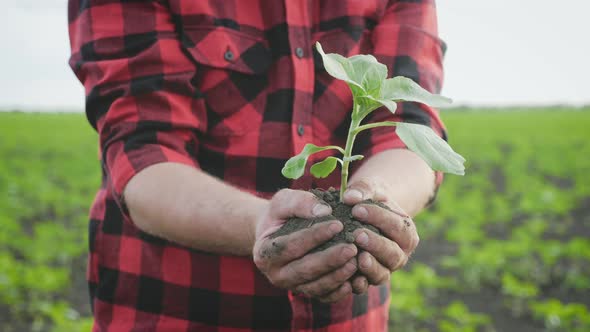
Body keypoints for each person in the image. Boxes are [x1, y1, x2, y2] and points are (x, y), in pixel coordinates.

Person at [68, 0, 447, 330]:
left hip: (348, 318)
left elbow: (410, 126)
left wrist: (375, 203)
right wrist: (258, 222)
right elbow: (145, 151)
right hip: (177, 311)